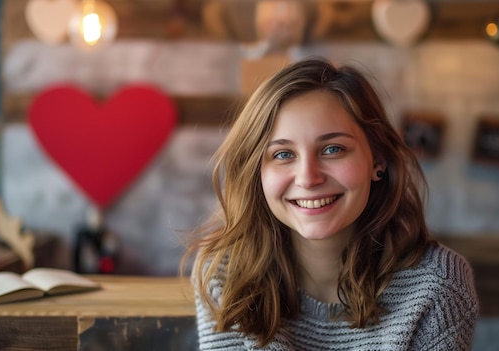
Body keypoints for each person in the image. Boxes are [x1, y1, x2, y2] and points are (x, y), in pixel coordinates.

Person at [182, 57, 479, 350]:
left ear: (377, 160)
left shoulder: (437, 284)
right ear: (256, 171)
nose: (308, 178)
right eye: (283, 154)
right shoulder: (225, 271)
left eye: (333, 149)